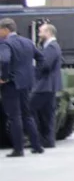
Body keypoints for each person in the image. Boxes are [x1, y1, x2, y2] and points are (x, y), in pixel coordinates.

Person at [0, 17, 43, 156]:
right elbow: (40, 57)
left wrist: (3, 77)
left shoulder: (6, 44)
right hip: (27, 83)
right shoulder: (27, 42)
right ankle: (37, 146)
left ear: (6, 29)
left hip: (12, 84)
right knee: (27, 114)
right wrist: (35, 74)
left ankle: (18, 149)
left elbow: (4, 60)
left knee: (14, 116)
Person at [32, 23, 62, 148]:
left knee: (30, 108)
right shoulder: (51, 46)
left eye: (41, 31)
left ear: (48, 32)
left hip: (45, 85)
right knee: (47, 114)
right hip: (48, 86)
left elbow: (45, 65)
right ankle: (48, 140)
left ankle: (40, 139)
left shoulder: (51, 47)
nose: (39, 34)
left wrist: (33, 67)